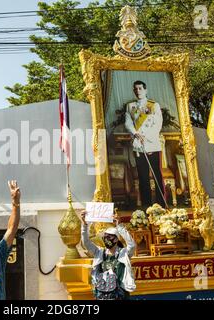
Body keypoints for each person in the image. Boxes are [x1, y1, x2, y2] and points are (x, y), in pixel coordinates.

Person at [125, 80, 166, 208]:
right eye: (136, 89)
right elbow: (128, 123)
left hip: (152, 145)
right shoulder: (130, 106)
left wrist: (146, 137)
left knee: (156, 175)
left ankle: (161, 204)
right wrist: (136, 133)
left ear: (145, 90)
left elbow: (158, 124)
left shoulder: (154, 105)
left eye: (140, 88)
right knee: (143, 176)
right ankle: (147, 205)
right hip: (138, 146)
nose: (138, 91)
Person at [80, 210, 136, 300]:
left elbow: (132, 245)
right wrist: (84, 225)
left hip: (120, 295)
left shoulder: (123, 253)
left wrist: (120, 227)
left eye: (110, 237)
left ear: (116, 239)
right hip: (103, 294)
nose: (107, 239)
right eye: (105, 236)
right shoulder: (99, 252)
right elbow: (86, 243)